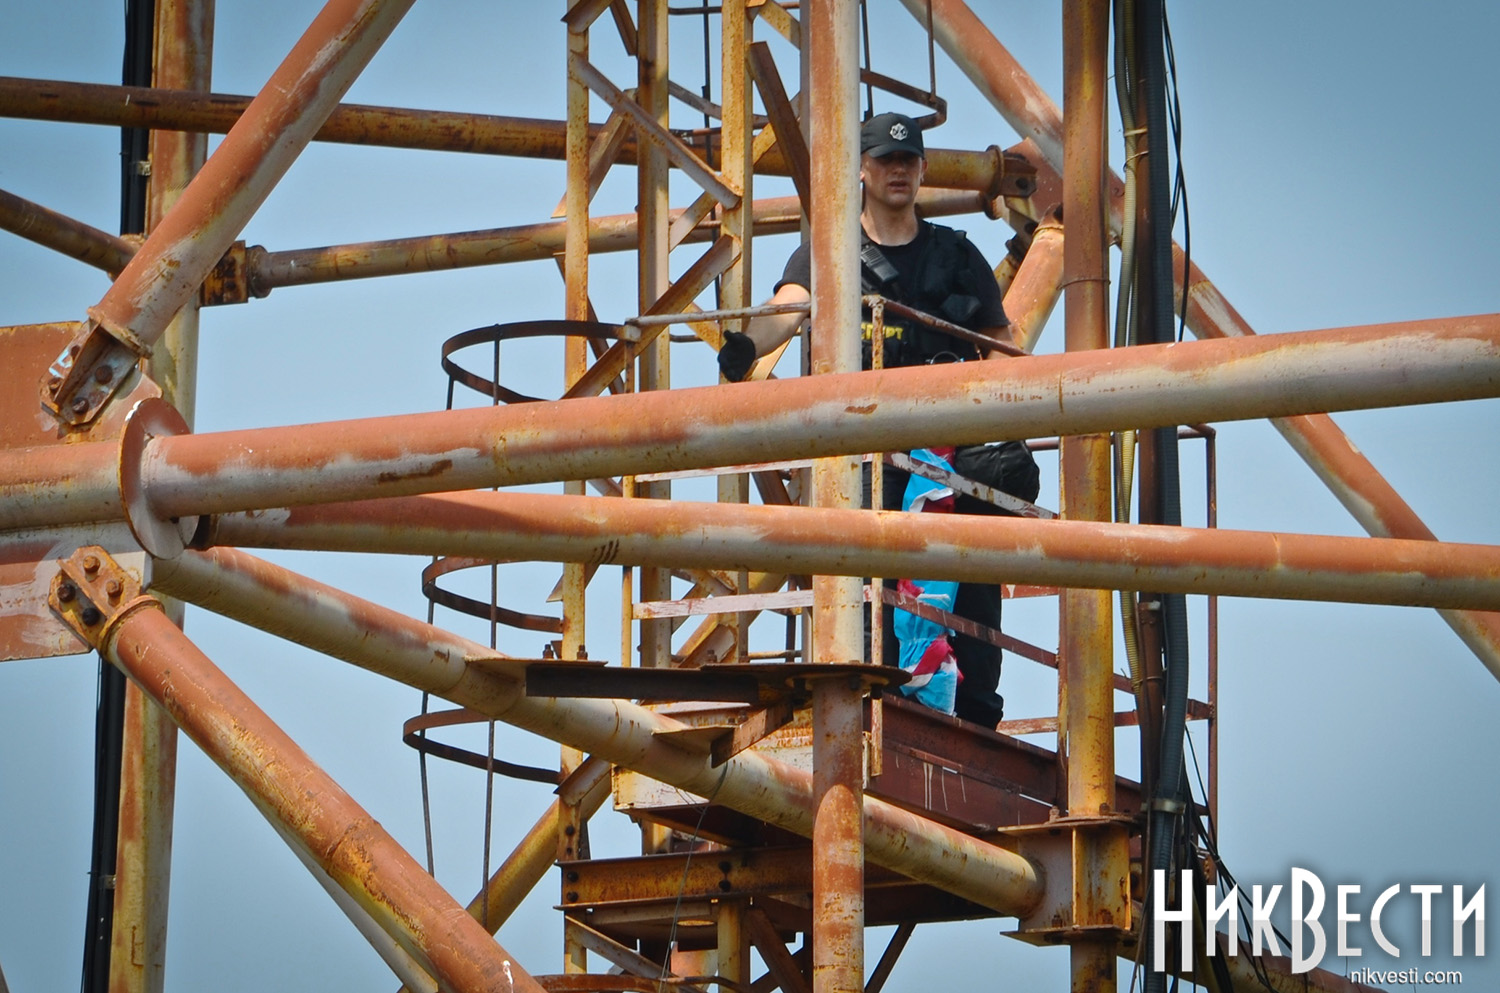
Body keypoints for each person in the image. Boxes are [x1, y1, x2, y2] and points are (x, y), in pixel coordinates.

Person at [718, 112, 1024, 728]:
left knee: (970, 591)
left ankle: (971, 719)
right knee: (866, 596)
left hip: (945, 460)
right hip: (865, 457)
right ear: (862, 168)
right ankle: (869, 708)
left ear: (923, 169)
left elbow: (1003, 349)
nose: (898, 172)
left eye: (908, 162)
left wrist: (1005, 407)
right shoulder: (830, 256)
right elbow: (788, 308)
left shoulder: (957, 256)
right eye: (886, 161)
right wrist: (748, 345)